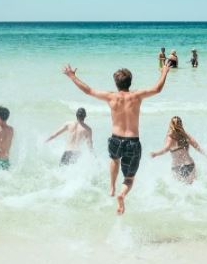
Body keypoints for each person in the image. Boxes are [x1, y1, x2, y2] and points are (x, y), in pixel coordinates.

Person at [63, 62, 172, 214]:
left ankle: (112, 187)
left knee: (114, 160)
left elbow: (88, 90)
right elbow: (157, 89)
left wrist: (72, 76)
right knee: (129, 178)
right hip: (133, 141)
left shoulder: (110, 97)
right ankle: (122, 194)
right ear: (130, 82)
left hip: (115, 139)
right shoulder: (137, 96)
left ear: (116, 83)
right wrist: (165, 71)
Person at [150, 116, 207, 184]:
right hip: (189, 165)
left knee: (179, 191)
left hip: (177, 168)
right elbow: (197, 147)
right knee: (193, 189)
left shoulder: (170, 137)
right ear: (181, 124)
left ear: (171, 124)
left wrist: (156, 153)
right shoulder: (185, 135)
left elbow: (166, 148)